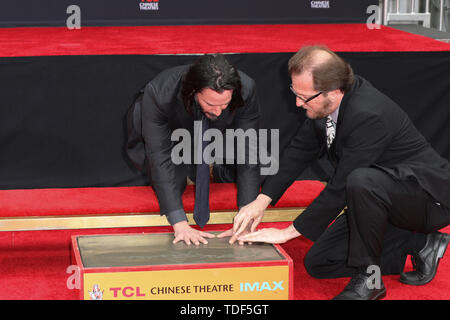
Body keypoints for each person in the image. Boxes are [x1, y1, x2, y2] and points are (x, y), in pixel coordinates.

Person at [230, 45, 450, 300]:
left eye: (304, 97)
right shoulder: (324, 105)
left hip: (427, 199)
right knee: (320, 263)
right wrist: (261, 200)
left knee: (360, 180)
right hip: (381, 198)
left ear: (334, 92)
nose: (298, 103)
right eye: (295, 93)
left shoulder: (368, 114)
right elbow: (298, 153)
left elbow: (342, 186)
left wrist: (288, 232)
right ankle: (421, 244)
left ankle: (371, 278)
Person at [126, 54, 261, 246]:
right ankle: (192, 167)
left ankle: (211, 166)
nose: (218, 111)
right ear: (194, 92)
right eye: (211, 104)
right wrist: (179, 223)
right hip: (171, 131)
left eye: (225, 104)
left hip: (213, 133)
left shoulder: (245, 89)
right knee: (175, 180)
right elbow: (159, 156)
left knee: (258, 165)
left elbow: (249, 154)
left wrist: (246, 218)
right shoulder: (160, 92)